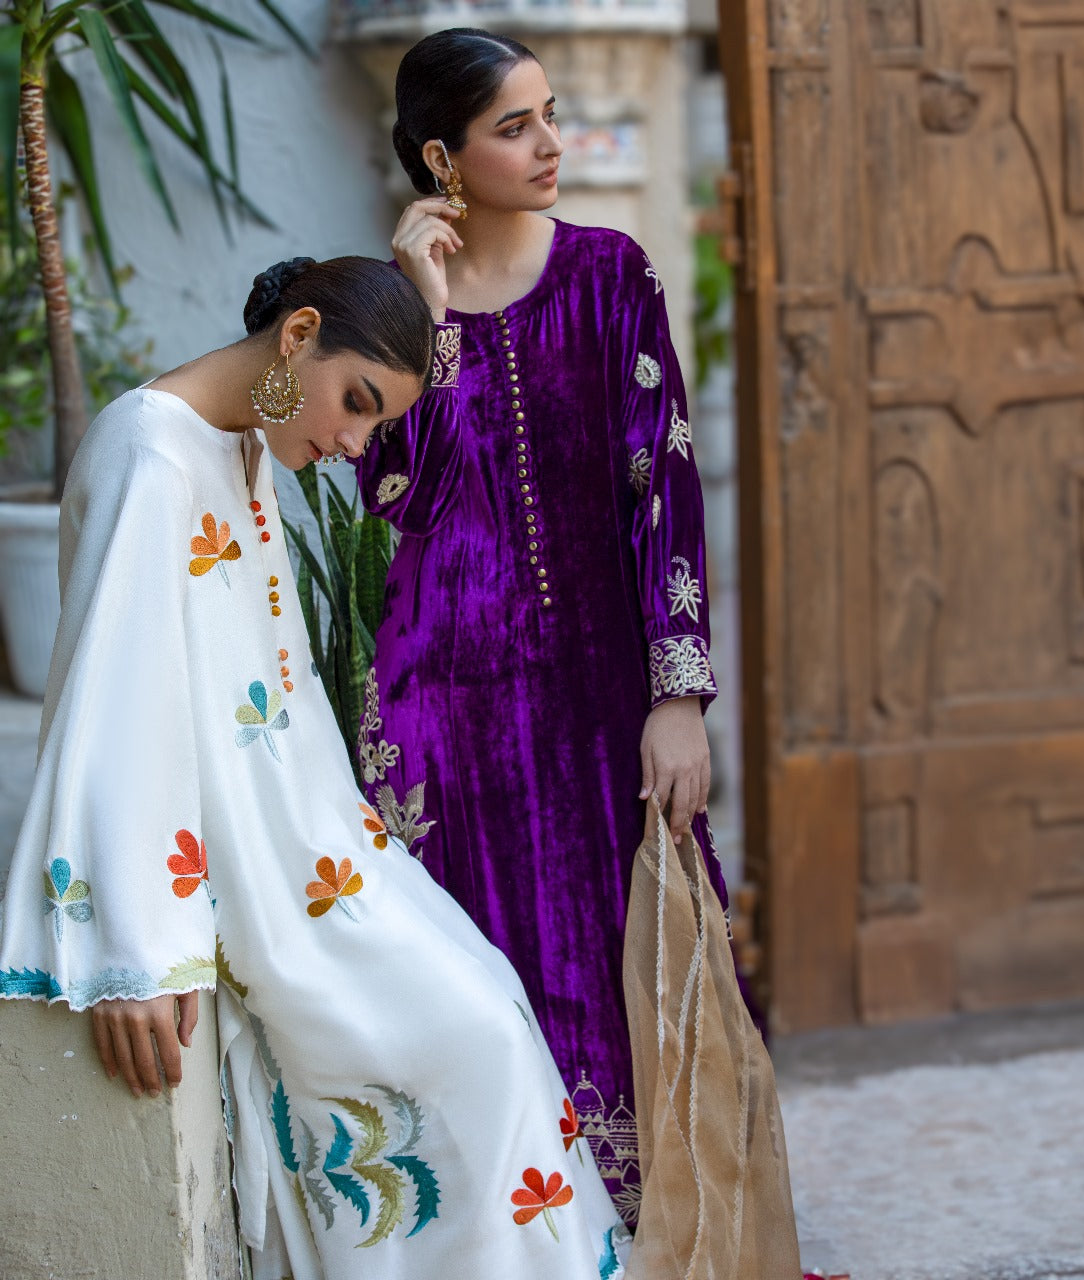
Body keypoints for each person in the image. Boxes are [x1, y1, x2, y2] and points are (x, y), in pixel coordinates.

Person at [0, 256, 629, 1280]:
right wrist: (133, 946)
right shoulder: (149, 456)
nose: (352, 444)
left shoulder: (239, 444)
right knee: (477, 1039)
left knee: (491, 1000)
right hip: (261, 884)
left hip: (316, 848)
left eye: (372, 425)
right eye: (357, 403)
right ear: (297, 337)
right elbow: (112, 705)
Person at [352, 28, 726, 1225]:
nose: (551, 143)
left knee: (631, 954)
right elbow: (393, 491)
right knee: (479, 971)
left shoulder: (613, 276)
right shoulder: (393, 310)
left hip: (606, 693)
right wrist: (426, 312)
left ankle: (653, 1232)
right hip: (445, 703)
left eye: (549, 114)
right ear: (441, 158)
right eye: (514, 127)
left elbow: (663, 486)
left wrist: (677, 693)